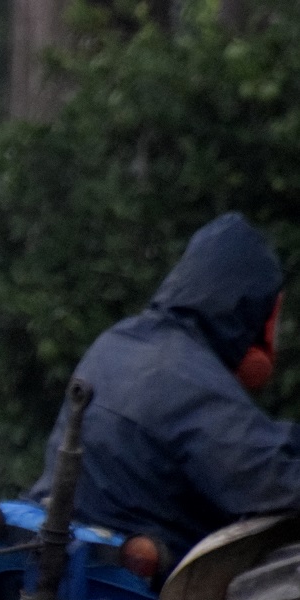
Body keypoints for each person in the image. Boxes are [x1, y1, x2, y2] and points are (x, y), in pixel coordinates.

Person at [29, 212, 298, 563]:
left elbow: (250, 441)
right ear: (256, 311)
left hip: (57, 572)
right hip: (119, 594)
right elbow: (270, 478)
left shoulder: (120, 341)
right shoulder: (187, 377)